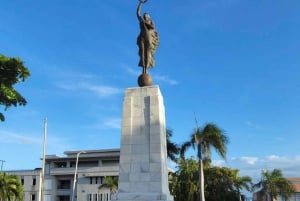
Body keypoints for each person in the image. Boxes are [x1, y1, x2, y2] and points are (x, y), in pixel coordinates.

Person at [136, 0, 159, 74]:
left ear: (149, 17)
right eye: (144, 15)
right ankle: (144, 70)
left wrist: (146, 22)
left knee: (148, 53)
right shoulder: (141, 21)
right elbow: (138, 13)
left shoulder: (150, 22)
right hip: (142, 38)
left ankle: (147, 69)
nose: (145, 16)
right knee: (142, 53)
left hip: (149, 38)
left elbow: (152, 27)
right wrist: (140, 3)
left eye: (147, 15)